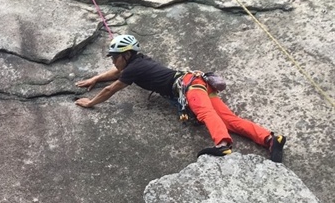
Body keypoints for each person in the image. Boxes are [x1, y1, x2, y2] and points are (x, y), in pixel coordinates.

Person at [75, 34, 286, 162]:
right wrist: (95, 78)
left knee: (205, 113)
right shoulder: (137, 64)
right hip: (195, 83)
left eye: (114, 57)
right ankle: (270, 139)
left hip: (189, 88)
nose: (113, 61)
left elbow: (111, 89)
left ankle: (222, 144)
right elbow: (116, 74)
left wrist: (91, 102)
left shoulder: (133, 68)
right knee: (229, 120)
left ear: (127, 55)